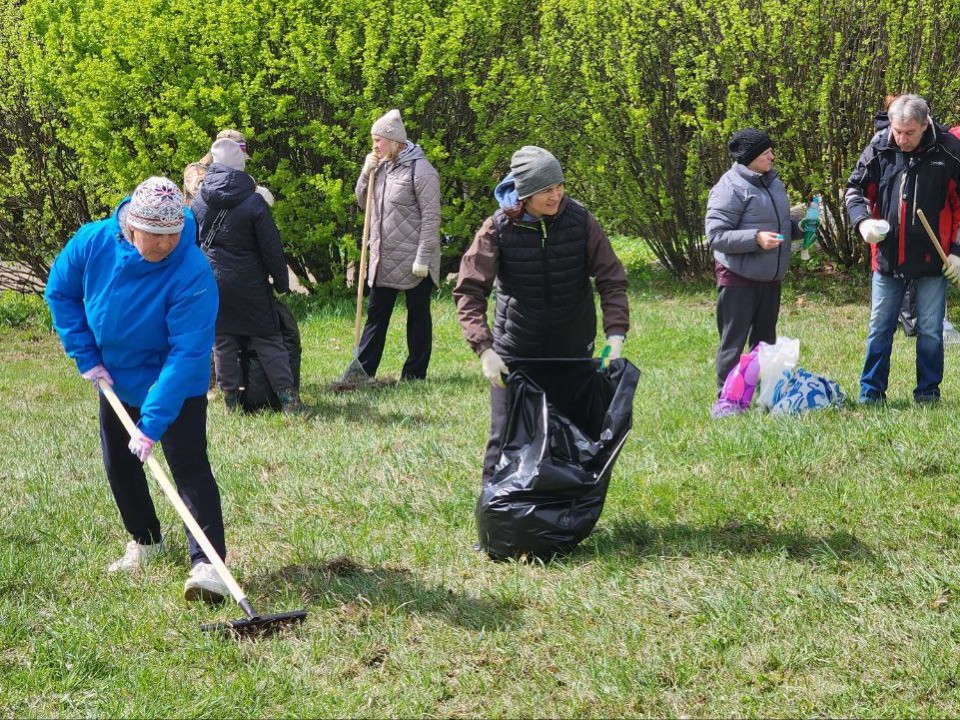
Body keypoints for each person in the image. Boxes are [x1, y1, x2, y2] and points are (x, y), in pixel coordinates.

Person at [45, 176, 229, 601]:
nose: (165, 244)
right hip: (116, 377)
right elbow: (61, 292)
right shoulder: (93, 241)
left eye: (173, 234)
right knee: (119, 464)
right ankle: (145, 540)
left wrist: (151, 423)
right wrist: (86, 355)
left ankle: (208, 565)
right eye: (155, 235)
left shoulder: (193, 271)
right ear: (131, 225)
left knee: (189, 468)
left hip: (174, 383)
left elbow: (187, 353)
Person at [454, 145, 629, 483]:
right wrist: (485, 350)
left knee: (575, 441)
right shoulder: (497, 228)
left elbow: (612, 279)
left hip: (572, 353)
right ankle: (496, 515)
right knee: (506, 440)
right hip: (517, 355)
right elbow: (469, 290)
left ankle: (567, 511)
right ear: (525, 193)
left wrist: (615, 337)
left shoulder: (580, 221)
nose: (556, 195)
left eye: (559, 186)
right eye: (546, 189)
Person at [846, 93, 960, 404]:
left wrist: (957, 252)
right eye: (897, 131)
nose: (901, 139)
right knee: (880, 327)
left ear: (925, 125)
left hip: (934, 258)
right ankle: (871, 393)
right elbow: (855, 189)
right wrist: (862, 223)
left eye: (909, 132)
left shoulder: (949, 149)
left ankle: (928, 393)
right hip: (888, 255)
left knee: (931, 329)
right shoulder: (880, 144)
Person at [192, 138, 300, 413]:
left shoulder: (199, 200)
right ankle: (289, 402)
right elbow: (271, 247)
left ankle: (231, 404)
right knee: (268, 339)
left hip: (214, 281)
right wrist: (282, 282)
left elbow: (193, 245)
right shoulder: (254, 201)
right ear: (240, 167)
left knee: (223, 342)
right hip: (250, 282)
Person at [705, 128, 802, 417]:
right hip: (738, 278)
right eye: (765, 153)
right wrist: (755, 238)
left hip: (770, 278)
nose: (772, 157)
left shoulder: (774, 183)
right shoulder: (729, 187)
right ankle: (728, 400)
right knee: (733, 343)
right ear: (749, 158)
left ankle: (765, 395)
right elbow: (716, 235)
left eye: (771, 151)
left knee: (765, 342)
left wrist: (799, 229)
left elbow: (780, 225)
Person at [352, 109, 441, 380]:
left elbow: (431, 218)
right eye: (373, 140)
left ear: (394, 141)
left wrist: (423, 258)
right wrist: (365, 173)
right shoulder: (380, 167)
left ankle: (415, 374)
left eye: (378, 140)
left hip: (415, 260)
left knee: (418, 316)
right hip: (385, 258)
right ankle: (362, 372)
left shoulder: (421, 170)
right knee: (376, 316)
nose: (374, 146)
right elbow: (363, 202)